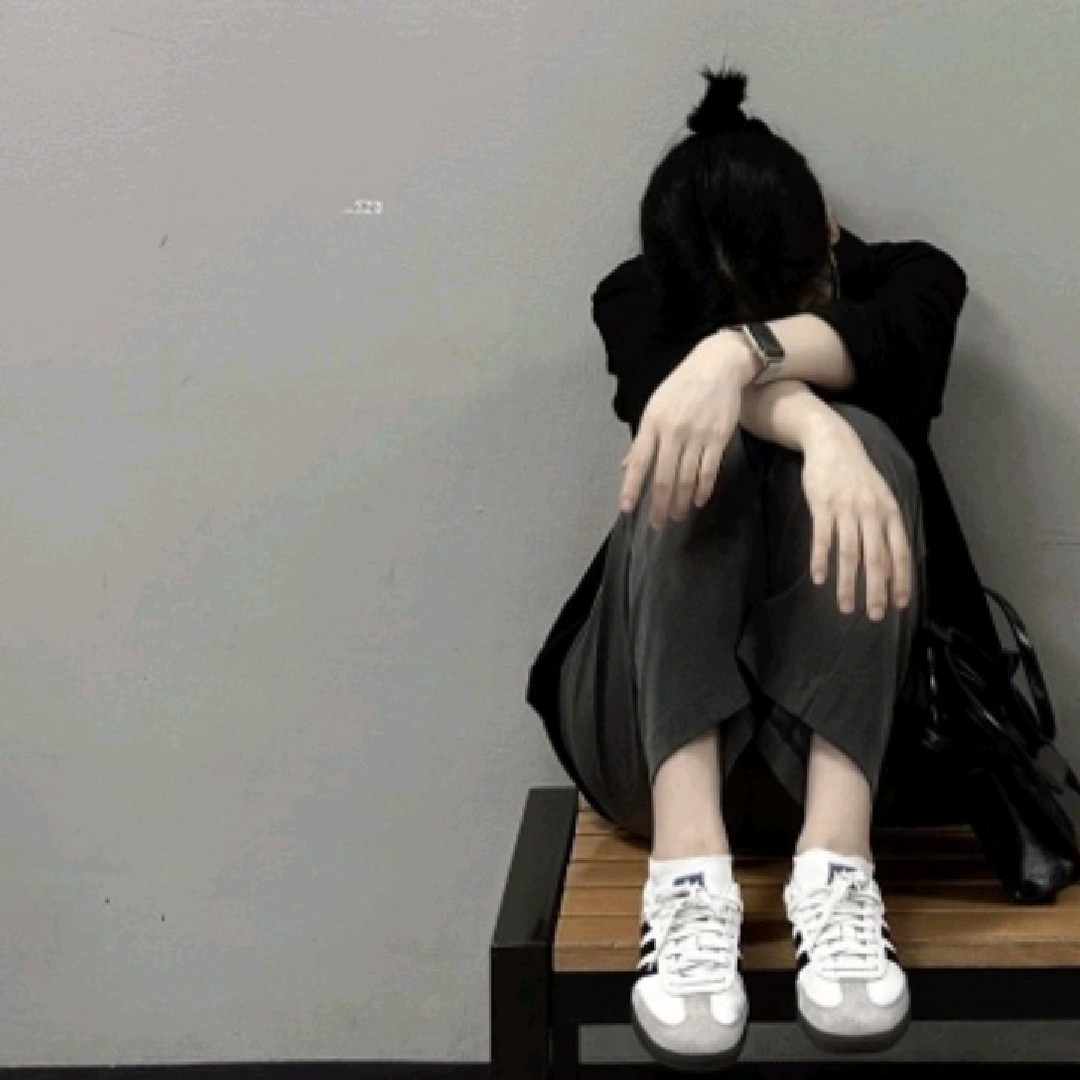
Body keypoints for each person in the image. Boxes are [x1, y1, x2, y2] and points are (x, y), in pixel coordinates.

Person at [525, 65, 970, 1071]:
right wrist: (814, 425)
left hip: (866, 743)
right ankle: (687, 877)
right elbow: (667, 387)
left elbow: (883, 343)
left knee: (873, 445)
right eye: (714, 326)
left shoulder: (914, 282)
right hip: (650, 743)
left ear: (831, 237)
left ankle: (838, 868)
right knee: (712, 451)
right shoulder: (635, 296)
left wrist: (732, 360)